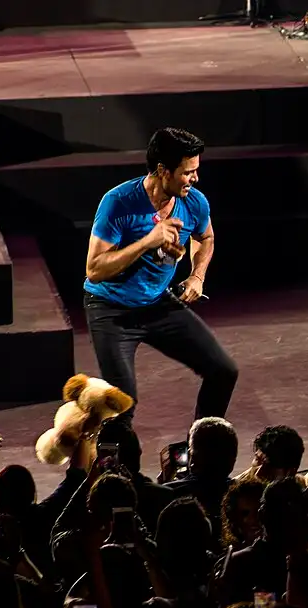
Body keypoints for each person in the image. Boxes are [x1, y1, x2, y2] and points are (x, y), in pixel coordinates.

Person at [83, 127, 239, 429]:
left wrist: (197, 276)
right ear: (162, 170)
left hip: (157, 303)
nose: (194, 179)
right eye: (187, 172)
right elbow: (95, 269)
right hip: (110, 309)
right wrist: (147, 242)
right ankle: (117, 473)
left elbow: (205, 237)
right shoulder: (119, 203)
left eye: (196, 171)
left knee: (223, 370)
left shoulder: (194, 201)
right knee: (121, 405)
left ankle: (204, 453)